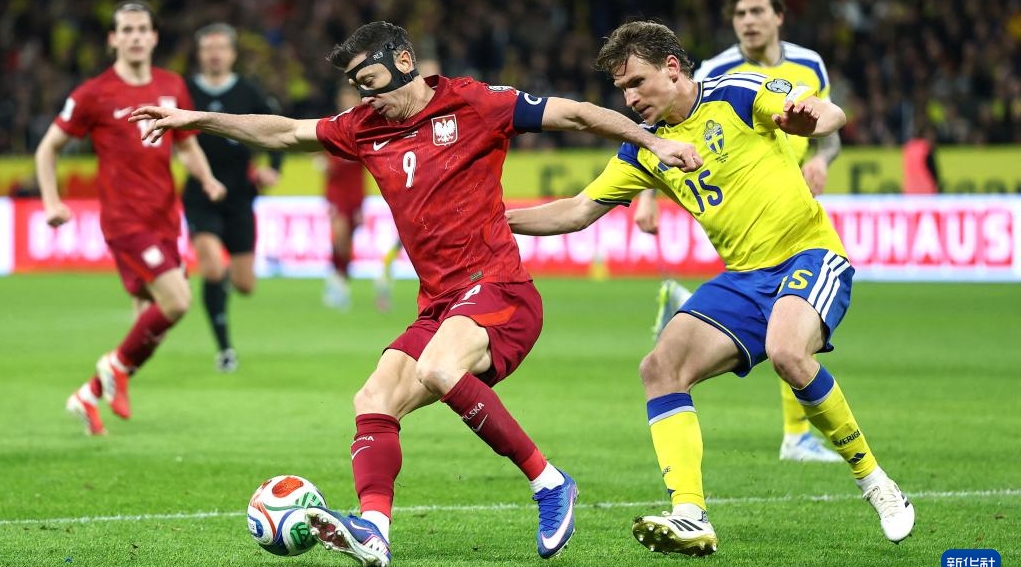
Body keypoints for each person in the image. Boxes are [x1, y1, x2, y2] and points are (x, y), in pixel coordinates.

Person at [130, 21, 699, 566]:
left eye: (371, 82)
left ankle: (550, 483)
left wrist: (652, 142)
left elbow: (576, 114)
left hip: (500, 289)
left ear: (404, 62)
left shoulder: (474, 103)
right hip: (442, 306)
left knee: (437, 367)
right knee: (372, 400)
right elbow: (283, 131)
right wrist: (196, 119)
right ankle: (374, 531)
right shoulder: (363, 125)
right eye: (357, 87)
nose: (366, 97)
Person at [506, 20, 914, 557]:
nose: (630, 100)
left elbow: (830, 113)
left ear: (673, 69)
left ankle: (876, 483)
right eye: (622, 90)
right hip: (744, 278)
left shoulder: (737, 94)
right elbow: (578, 210)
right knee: (660, 368)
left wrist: (810, 119)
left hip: (808, 255)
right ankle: (690, 515)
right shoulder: (645, 147)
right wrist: (497, 220)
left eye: (637, 83)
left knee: (787, 352)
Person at [633, 0, 845, 464]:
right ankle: (797, 435)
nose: (748, 21)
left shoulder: (809, 63)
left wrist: (821, 160)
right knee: (783, 316)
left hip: (789, 193)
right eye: (739, 14)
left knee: (791, 322)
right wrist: (646, 197)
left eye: (757, 11)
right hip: (737, 201)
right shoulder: (718, 70)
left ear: (779, 16)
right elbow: (668, 128)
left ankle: (796, 435)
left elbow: (829, 131)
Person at [35, 1, 225, 436]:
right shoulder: (94, 93)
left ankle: (87, 394)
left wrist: (207, 178)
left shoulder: (172, 85)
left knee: (149, 324)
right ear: (113, 39)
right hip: (125, 222)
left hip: (165, 219)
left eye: (142, 29)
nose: (135, 36)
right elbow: (48, 148)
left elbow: (186, 145)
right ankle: (112, 367)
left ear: (154, 37)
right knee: (177, 301)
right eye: (127, 29)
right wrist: (51, 202)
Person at [184, 23, 284, 372]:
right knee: (211, 266)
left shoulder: (247, 91)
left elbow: (277, 127)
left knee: (244, 285)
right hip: (200, 193)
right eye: (208, 48)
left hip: (241, 196)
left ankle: (221, 284)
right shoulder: (185, 92)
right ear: (200, 54)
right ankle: (225, 349)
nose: (215, 54)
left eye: (221, 48)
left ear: (232, 54)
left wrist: (273, 167)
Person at [321, 85, 368, 311]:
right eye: (344, 98)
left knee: (347, 243)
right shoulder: (331, 126)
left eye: (351, 98)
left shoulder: (364, 128)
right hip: (336, 194)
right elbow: (322, 158)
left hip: (355, 194)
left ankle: (341, 281)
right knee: (339, 237)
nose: (348, 102)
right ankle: (335, 279)